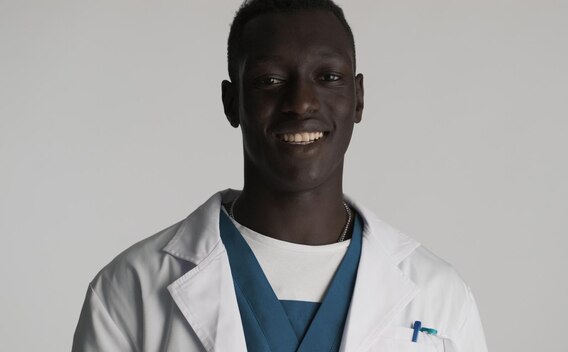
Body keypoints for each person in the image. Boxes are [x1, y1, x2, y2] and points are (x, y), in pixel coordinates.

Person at [72, 0, 488, 351]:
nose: (301, 103)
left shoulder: (441, 297)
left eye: (328, 77)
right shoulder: (128, 290)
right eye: (269, 80)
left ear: (358, 98)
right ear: (231, 102)